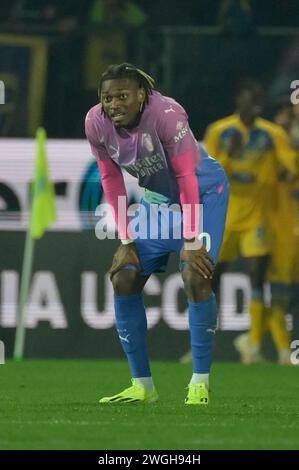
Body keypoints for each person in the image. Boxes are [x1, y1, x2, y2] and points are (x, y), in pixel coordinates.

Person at [85, 63, 229, 405]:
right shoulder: (95, 123)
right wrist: (125, 241)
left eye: (123, 96)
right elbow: (110, 178)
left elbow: (186, 178)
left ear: (141, 95)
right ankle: (142, 386)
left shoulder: (167, 115)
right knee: (124, 276)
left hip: (202, 192)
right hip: (158, 200)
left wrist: (192, 239)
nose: (114, 104)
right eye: (107, 97)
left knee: (195, 274)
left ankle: (199, 383)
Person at [203, 80, 299, 364]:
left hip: (257, 216)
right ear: (238, 100)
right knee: (212, 280)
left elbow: (290, 161)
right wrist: (228, 156)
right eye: (249, 100)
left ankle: (254, 345)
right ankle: (199, 343)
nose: (254, 105)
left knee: (257, 276)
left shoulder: (271, 134)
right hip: (225, 217)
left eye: (258, 100)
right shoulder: (219, 131)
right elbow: (207, 171)